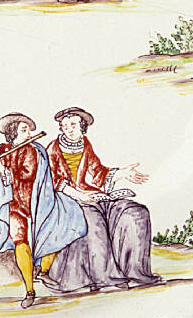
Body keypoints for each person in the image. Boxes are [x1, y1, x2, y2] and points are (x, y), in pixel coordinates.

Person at [0, 113, 87, 308]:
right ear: (13, 132)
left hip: (37, 203)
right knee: (20, 242)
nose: (29, 134)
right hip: (13, 206)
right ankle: (30, 291)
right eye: (24, 130)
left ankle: (42, 271)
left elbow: (26, 177)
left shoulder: (34, 151)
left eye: (29, 130)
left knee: (63, 225)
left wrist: (3, 170)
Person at [42, 107, 162, 291]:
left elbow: (98, 172)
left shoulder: (85, 144)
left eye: (73, 125)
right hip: (66, 199)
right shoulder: (53, 149)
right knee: (93, 220)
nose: (69, 129)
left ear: (82, 126)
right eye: (64, 126)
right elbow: (54, 182)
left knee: (134, 212)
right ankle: (105, 277)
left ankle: (136, 272)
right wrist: (81, 196)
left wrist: (122, 174)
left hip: (89, 194)